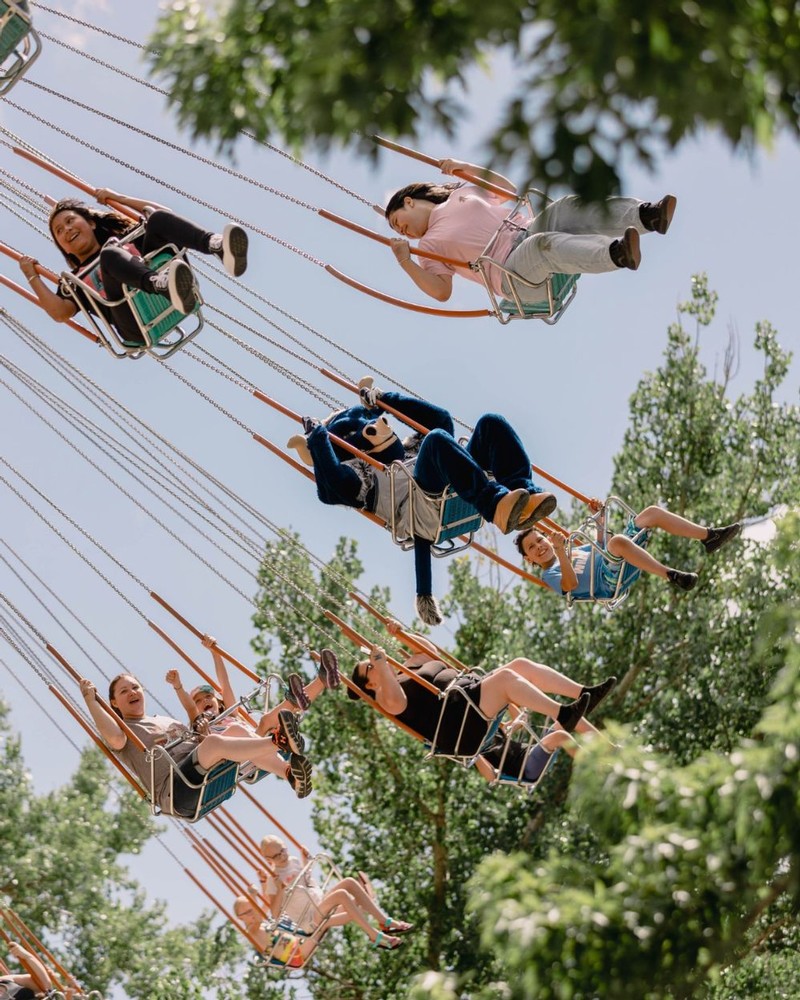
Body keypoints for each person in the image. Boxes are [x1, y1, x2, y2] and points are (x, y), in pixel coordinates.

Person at [289, 379, 556, 624]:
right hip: (423, 508)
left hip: (458, 484)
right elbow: (331, 487)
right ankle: (495, 505)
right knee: (436, 440)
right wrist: (319, 440)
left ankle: (525, 496)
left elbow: (440, 418)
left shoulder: (408, 449)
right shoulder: (363, 476)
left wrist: (385, 400)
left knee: (491, 423)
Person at [385, 157, 676, 307]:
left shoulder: (462, 192)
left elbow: (507, 190)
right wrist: (405, 261)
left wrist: (465, 168)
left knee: (564, 207)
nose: (403, 232)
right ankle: (617, 253)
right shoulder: (428, 247)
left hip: (526, 229)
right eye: (399, 231)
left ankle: (648, 215)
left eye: (398, 222)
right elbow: (441, 292)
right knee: (541, 246)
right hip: (511, 272)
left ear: (409, 201)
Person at [348, 620, 613, 762]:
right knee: (506, 679)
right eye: (369, 667)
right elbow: (397, 702)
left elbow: (428, 651)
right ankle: (562, 713)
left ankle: (584, 695)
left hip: (470, 695)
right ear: (369, 684)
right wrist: (380, 663)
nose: (375, 663)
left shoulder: (406, 667)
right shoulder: (384, 696)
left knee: (519, 665)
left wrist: (399, 633)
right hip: (459, 723)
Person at [18, 187, 248, 345]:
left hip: (177, 293)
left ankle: (217, 246)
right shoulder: (75, 281)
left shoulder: (125, 240)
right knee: (109, 256)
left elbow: (162, 214)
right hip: (135, 325)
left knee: (155, 220)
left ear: (90, 223)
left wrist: (120, 199)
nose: (67, 229)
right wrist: (32, 276)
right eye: (59, 231)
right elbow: (60, 313)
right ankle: (161, 285)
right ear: (63, 247)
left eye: (70, 221)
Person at [80, 672, 313, 815]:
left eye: (135, 687)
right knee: (214, 743)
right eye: (124, 691)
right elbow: (114, 739)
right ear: (114, 703)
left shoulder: (164, 720)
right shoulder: (124, 730)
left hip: (200, 771)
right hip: (176, 789)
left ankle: (289, 773)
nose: (132, 692)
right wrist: (91, 701)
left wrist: (201, 733)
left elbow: (198, 743)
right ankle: (277, 742)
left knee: (236, 730)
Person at [515, 498, 742, 598]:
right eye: (532, 548)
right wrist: (560, 552)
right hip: (608, 582)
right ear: (529, 559)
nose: (539, 547)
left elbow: (601, 546)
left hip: (615, 559)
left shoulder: (573, 551)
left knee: (650, 513)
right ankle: (672, 575)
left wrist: (599, 518)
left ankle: (709, 537)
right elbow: (571, 584)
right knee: (617, 542)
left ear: (547, 539)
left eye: (540, 540)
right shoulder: (550, 573)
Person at [166, 639, 340, 756]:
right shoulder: (201, 726)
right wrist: (178, 686)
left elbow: (224, 683)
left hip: (260, 739)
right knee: (264, 721)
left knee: (269, 720)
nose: (204, 700)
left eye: (208, 696)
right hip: (241, 756)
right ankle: (293, 704)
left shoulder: (230, 714)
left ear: (218, 702)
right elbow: (189, 707)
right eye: (198, 701)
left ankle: (321, 680)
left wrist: (215, 653)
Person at [253, 835, 411, 948]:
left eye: (283, 850)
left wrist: (306, 861)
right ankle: (373, 934)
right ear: (268, 860)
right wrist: (280, 891)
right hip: (308, 917)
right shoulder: (273, 879)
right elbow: (275, 914)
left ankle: (384, 920)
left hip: (319, 902)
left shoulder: (293, 861)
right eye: (276, 856)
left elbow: (307, 882)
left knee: (349, 882)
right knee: (342, 896)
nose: (282, 856)